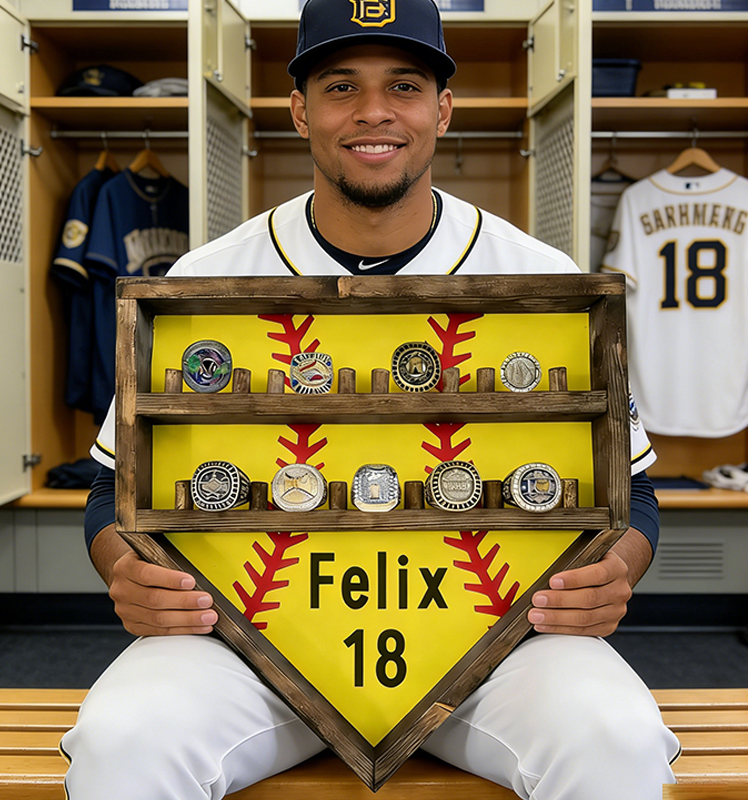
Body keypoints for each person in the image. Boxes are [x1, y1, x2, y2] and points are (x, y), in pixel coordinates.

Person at [61, 1, 681, 797]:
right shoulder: (203, 279)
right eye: (341, 86)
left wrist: (614, 572)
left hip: (499, 648)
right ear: (300, 111)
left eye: (405, 85)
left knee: (616, 738)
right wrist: (126, 569)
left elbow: (637, 496)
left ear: (443, 110)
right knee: (120, 740)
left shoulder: (548, 278)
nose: (375, 111)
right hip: (248, 648)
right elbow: (109, 489)